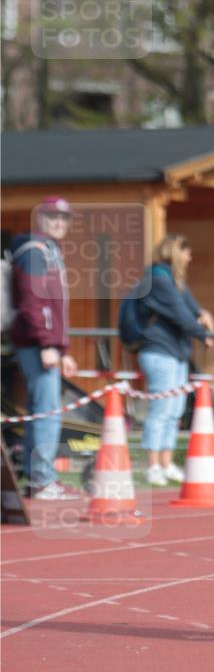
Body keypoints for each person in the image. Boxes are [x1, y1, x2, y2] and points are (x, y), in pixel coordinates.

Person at [10, 196, 79, 499]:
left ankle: (36, 476)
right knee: (47, 412)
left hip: (43, 345)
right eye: (53, 217)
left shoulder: (50, 252)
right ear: (40, 219)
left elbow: (52, 308)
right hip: (36, 344)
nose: (59, 223)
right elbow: (32, 302)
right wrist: (47, 344)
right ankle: (41, 479)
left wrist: (63, 349)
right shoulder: (35, 253)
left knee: (42, 412)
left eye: (64, 218)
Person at [137, 234, 214, 485]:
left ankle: (166, 462)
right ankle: (152, 466)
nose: (189, 257)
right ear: (174, 253)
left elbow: (191, 307)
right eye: (186, 251)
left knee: (174, 411)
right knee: (161, 410)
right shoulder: (158, 279)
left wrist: (203, 314)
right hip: (159, 352)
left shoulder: (173, 280)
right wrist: (203, 335)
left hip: (176, 352)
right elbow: (181, 314)